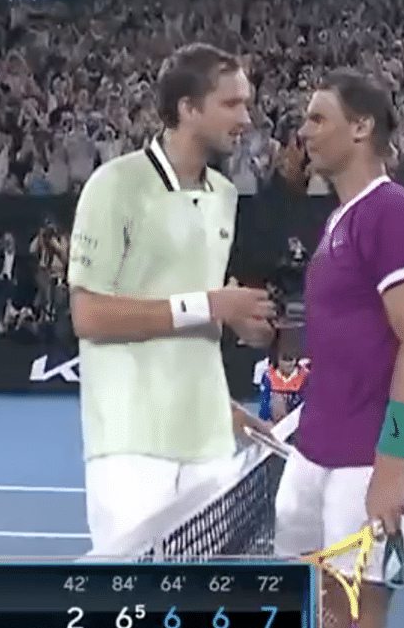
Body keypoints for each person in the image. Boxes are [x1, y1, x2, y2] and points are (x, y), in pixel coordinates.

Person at [68, 43, 277, 556]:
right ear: (187, 108)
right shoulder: (114, 185)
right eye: (231, 105)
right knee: (129, 609)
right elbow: (89, 315)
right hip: (131, 445)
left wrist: (224, 409)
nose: (246, 119)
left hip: (208, 445)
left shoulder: (225, 195)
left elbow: (189, 333)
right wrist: (212, 305)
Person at [274, 70, 404, 628]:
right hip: (316, 450)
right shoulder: (339, 220)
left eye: (318, 118)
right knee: (318, 616)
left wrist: (393, 461)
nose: (305, 132)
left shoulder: (394, 213)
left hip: (366, 462)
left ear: (362, 127)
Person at [257, 350, 309, 423]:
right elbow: (264, 404)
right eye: (285, 359)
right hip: (275, 424)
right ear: (277, 359)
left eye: (291, 359)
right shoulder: (268, 375)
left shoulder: (305, 376)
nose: (289, 364)